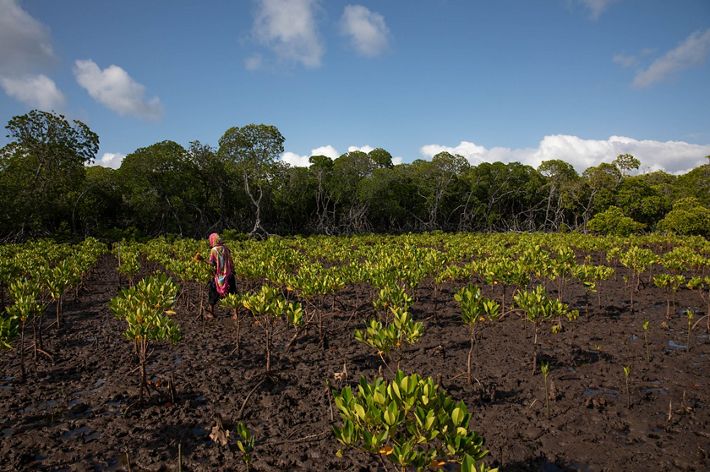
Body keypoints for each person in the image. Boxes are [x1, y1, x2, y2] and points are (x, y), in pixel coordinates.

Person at [206, 232, 236, 318]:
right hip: (229, 274)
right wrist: (233, 270)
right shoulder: (226, 248)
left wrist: (203, 260)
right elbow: (230, 260)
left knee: (213, 292)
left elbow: (212, 263)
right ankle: (235, 314)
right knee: (233, 293)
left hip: (219, 275)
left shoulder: (213, 250)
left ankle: (211, 313)